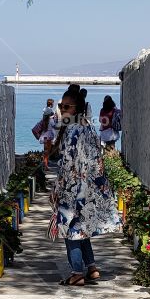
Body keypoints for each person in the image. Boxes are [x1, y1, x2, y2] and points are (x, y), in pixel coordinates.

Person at [49, 85, 122, 286]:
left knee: (70, 231)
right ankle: (91, 268)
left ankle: (76, 273)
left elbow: (67, 164)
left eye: (66, 107)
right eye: (60, 106)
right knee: (81, 229)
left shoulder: (72, 130)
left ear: (77, 108)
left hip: (73, 190)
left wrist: (56, 189)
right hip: (89, 188)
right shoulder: (88, 126)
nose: (62, 110)